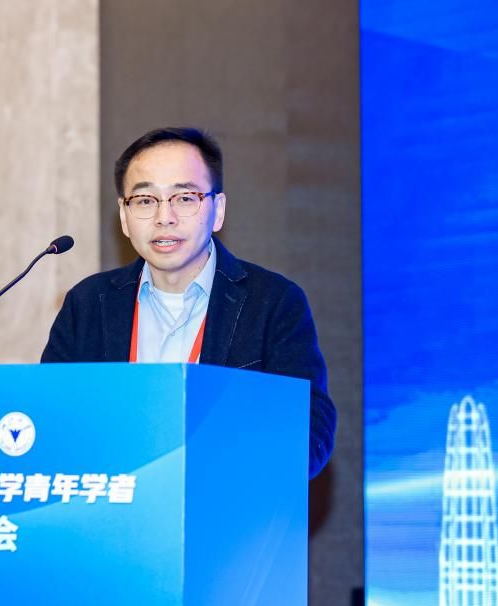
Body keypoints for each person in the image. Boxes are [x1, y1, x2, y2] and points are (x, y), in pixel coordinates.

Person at [41, 127, 335, 478]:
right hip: (113, 506)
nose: (164, 217)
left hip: (226, 503)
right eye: (145, 200)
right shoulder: (87, 304)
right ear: (124, 216)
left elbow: (310, 430)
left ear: (218, 210)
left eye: (184, 198)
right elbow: (50, 418)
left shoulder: (273, 303)